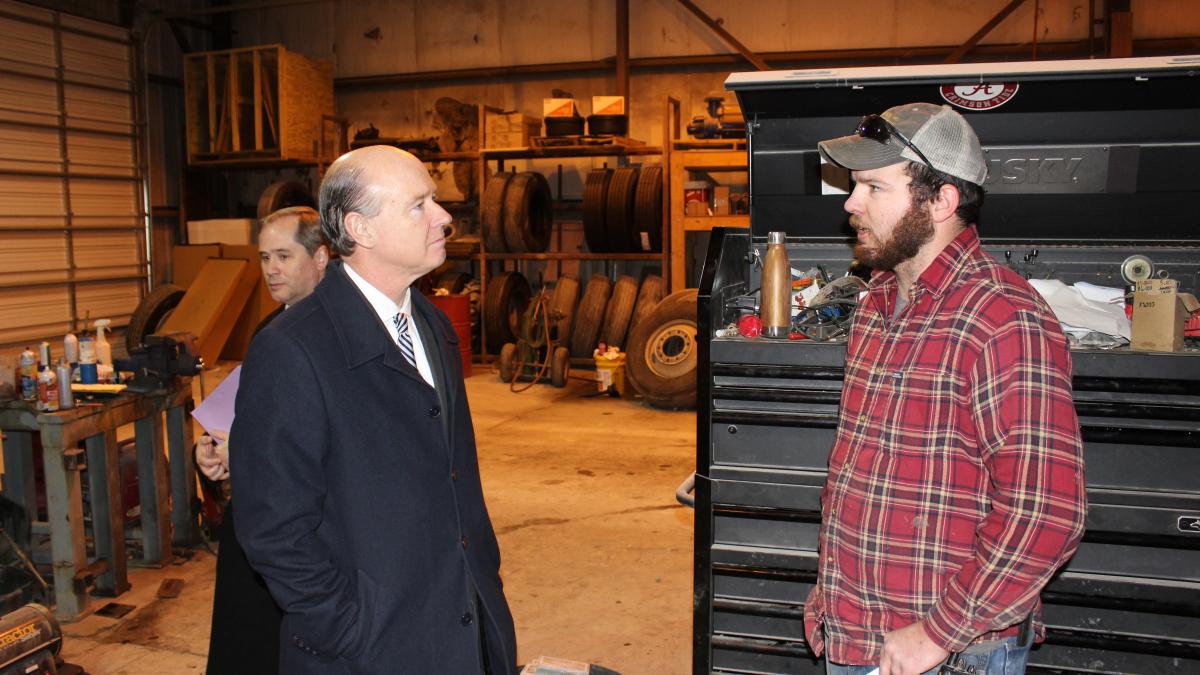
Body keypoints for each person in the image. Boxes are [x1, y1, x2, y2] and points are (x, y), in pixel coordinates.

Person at [803, 103, 1087, 675]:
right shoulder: (877, 305)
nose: (851, 204)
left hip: (944, 654)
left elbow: (1046, 512)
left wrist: (939, 632)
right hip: (857, 631)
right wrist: (831, 593)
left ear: (940, 202)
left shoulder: (1002, 318)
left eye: (872, 188)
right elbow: (863, 473)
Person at [230, 145, 517, 674]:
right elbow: (273, 526)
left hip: (462, 622)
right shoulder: (292, 349)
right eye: (419, 204)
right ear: (359, 229)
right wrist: (343, 627)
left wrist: (481, 584)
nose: (444, 216)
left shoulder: (432, 327)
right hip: (367, 650)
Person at [196, 205, 330, 674]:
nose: (271, 269)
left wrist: (249, 453)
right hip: (254, 526)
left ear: (321, 258)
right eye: (264, 257)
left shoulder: (335, 336)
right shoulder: (268, 329)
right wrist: (213, 454)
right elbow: (235, 416)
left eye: (283, 256)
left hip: (301, 534)